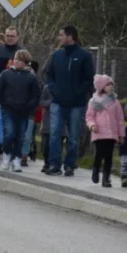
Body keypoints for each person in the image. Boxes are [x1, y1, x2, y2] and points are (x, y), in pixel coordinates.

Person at [45, 25, 95, 177]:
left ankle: (70, 164)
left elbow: (88, 78)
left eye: (62, 35)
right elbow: (49, 74)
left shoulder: (84, 56)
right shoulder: (56, 55)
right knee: (55, 133)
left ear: (70, 36)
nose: (59, 38)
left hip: (76, 103)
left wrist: (78, 93)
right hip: (57, 101)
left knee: (73, 136)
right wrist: (54, 90)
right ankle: (54, 164)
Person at [0, 50, 40, 172]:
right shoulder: (6, 74)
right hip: (8, 109)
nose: (17, 62)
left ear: (26, 63)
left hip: (23, 111)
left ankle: (16, 158)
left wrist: (29, 106)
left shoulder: (31, 78)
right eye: (16, 59)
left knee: (20, 135)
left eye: (21, 60)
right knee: (9, 133)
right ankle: (6, 155)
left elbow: (35, 95)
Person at [85, 74, 125, 187]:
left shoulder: (115, 102)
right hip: (99, 132)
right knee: (99, 153)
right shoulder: (94, 101)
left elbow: (120, 119)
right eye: (108, 85)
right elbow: (89, 117)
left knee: (109, 156)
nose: (110, 87)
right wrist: (92, 125)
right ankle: (96, 170)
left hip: (111, 134)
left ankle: (106, 178)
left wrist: (121, 135)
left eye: (111, 85)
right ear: (101, 86)